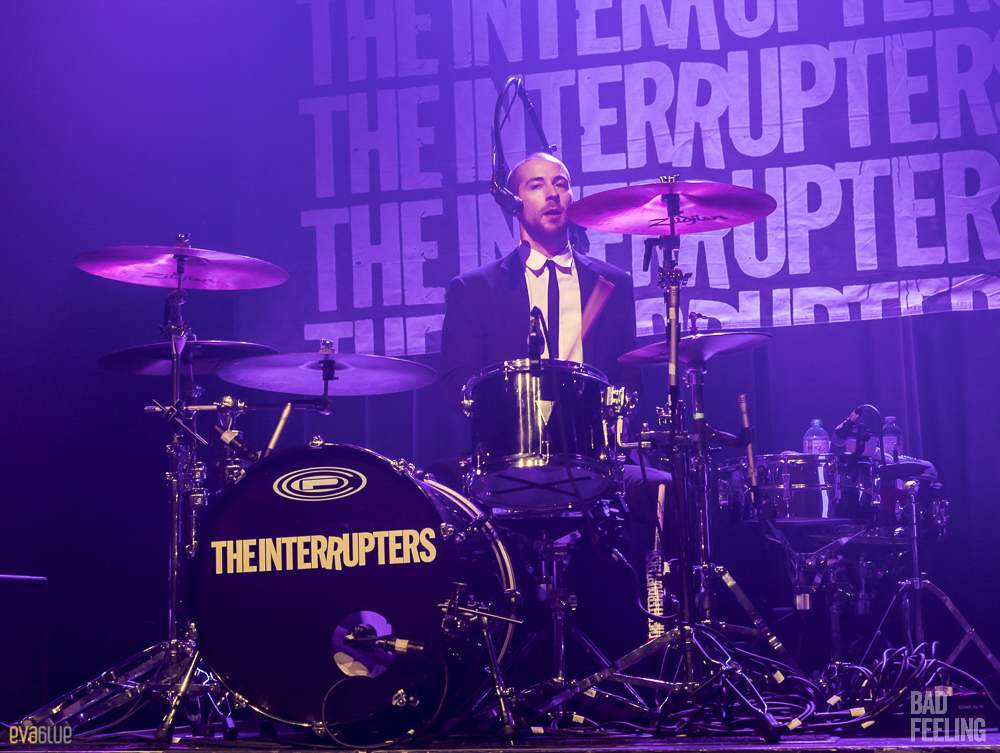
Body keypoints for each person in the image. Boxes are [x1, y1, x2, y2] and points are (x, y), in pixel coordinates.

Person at [438, 152, 669, 654]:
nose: (552, 194)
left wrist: (616, 419)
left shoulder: (611, 283)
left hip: (594, 459)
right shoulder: (473, 289)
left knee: (667, 491)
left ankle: (642, 650)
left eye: (561, 183)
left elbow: (626, 375)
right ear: (514, 201)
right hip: (510, 462)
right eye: (537, 185)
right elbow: (457, 382)